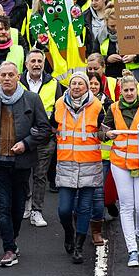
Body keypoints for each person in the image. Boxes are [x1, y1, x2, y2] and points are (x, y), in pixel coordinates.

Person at [0, 61, 51, 267]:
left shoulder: (32, 99)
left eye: (11, 75)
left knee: (17, 208)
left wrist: (26, 144)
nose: (7, 78)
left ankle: (13, 239)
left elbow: (45, 129)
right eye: (3, 75)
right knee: (2, 206)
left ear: (19, 77)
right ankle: (8, 249)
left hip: (21, 163)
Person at [101, 72, 139, 267]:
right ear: (121, 92)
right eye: (125, 90)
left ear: (137, 90)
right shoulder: (113, 108)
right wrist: (107, 133)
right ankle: (132, 250)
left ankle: (138, 234)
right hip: (119, 162)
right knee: (127, 207)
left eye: (131, 90)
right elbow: (102, 132)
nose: (128, 93)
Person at [52, 72, 105, 264]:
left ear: (87, 87)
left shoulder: (98, 106)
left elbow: (103, 131)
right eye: (73, 83)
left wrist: (107, 134)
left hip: (89, 165)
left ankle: (79, 246)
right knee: (64, 210)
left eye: (80, 84)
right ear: (69, 86)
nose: (76, 86)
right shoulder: (59, 104)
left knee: (84, 208)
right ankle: (69, 233)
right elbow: (52, 127)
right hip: (66, 163)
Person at [21, 50, 62, 229]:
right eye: (33, 61)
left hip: (45, 138)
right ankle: (26, 201)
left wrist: (52, 129)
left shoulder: (54, 83)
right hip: (23, 137)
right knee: (23, 174)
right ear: (26, 64)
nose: (36, 64)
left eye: (40, 61)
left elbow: (59, 108)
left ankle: (37, 210)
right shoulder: (18, 82)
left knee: (40, 175)